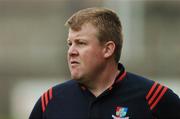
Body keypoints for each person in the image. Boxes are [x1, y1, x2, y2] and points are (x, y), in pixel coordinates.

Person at [29, 7, 180, 119]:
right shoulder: (50, 100)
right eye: (70, 44)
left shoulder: (154, 98)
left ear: (108, 49)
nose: (71, 51)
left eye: (81, 43)